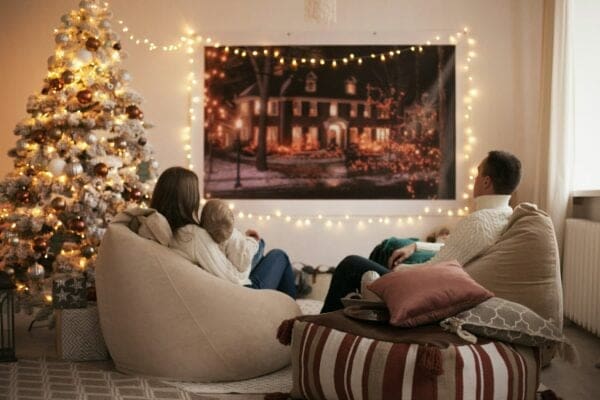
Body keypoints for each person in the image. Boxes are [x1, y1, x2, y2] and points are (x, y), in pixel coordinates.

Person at [321, 150, 522, 313]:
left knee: (351, 264)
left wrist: (398, 271)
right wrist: (416, 246)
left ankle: (319, 328)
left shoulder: (479, 221)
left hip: (428, 289)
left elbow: (435, 270)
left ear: (486, 182)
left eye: (477, 174)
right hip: (441, 281)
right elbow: (456, 250)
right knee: (392, 250)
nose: (474, 180)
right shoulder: (505, 214)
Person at [150, 166, 296, 298]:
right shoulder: (191, 236)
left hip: (218, 288)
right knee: (278, 255)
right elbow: (234, 277)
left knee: (257, 250)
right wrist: (251, 245)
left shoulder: (159, 230)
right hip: (242, 294)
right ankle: (294, 317)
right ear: (189, 199)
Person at [199, 199, 265, 272]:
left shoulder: (201, 234)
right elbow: (242, 264)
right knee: (261, 243)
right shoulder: (234, 238)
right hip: (244, 260)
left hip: (238, 248)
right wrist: (251, 240)